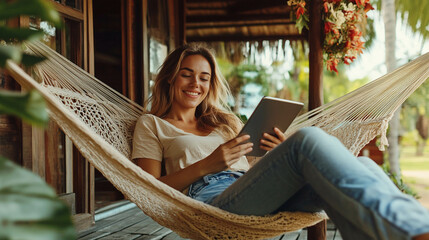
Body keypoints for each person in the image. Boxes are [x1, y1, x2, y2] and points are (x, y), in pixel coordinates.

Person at [132, 43, 429, 240]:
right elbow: (146, 188)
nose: (196, 84)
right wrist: (207, 165)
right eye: (187, 75)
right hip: (211, 202)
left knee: (363, 164)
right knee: (308, 138)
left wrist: (277, 151)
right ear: (170, 78)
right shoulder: (153, 124)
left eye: (204, 78)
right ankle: (418, 230)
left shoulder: (225, 121)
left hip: (253, 190)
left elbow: (253, 167)